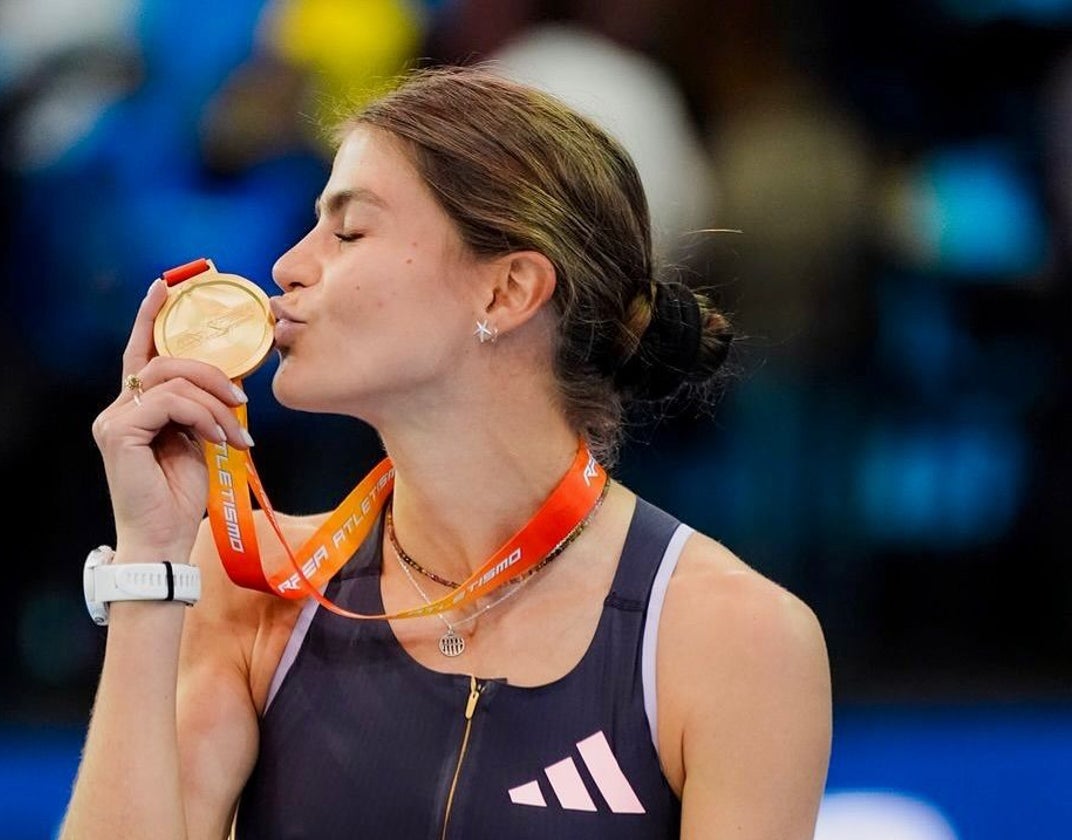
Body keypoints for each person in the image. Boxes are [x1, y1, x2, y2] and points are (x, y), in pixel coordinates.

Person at [59, 64, 832, 839]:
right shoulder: (257, 589)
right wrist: (151, 563)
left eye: (349, 230)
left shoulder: (733, 639)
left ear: (505, 293)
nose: (289, 266)